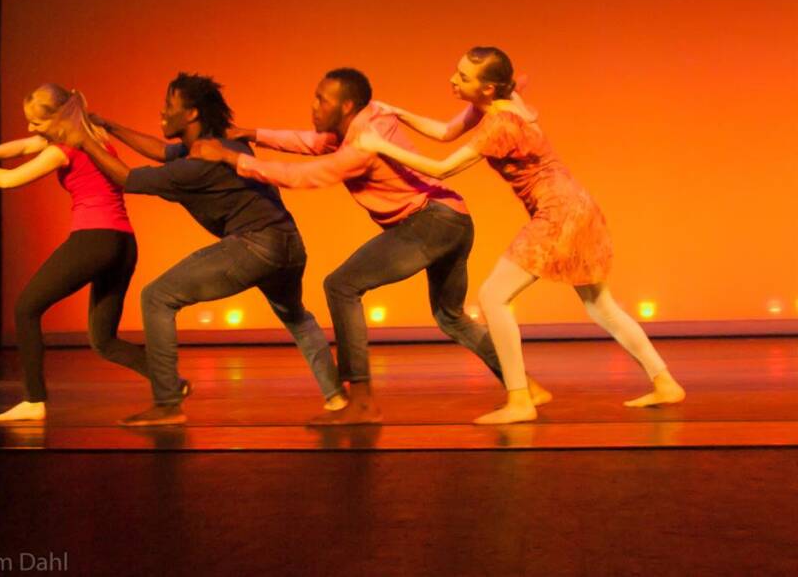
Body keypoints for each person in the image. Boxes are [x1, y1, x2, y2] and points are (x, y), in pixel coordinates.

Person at [190, 68, 549, 425]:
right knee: (450, 316)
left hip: (429, 222)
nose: (313, 107)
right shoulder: (367, 115)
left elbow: (305, 175)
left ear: (346, 106)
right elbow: (315, 143)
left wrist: (234, 159)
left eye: (321, 100)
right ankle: (523, 386)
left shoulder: (362, 144)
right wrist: (252, 134)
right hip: (454, 218)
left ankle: (361, 400)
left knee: (341, 285)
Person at [356, 47, 686, 424]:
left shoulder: (501, 125)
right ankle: (665, 381)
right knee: (600, 306)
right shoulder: (500, 103)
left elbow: (442, 169)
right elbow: (445, 132)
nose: (453, 80)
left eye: (463, 77)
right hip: (578, 205)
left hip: (559, 212)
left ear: (488, 88)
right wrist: (397, 113)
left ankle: (519, 399)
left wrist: (378, 146)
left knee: (493, 296)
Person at [41, 73, 343, 426]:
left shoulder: (199, 166)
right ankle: (337, 398)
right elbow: (161, 151)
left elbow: (126, 179)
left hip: (257, 244)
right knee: (296, 317)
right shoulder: (216, 143)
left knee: (157, 297)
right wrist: (110, 126)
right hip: (289, 243)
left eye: (169, 106)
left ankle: (168, 404)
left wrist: (84, 142)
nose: (162, 113)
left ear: (192, 115)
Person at [0, 84, 152, 422]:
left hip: (94, 239)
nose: (31, 129)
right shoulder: (92, 132)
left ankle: (34, 401)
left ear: (58, 118)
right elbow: (24, 146)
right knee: (104, 340)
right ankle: (170, 380)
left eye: (36, 122)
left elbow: (10, 180)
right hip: (123, 243)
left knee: (26, 308)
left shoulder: (63, 150)